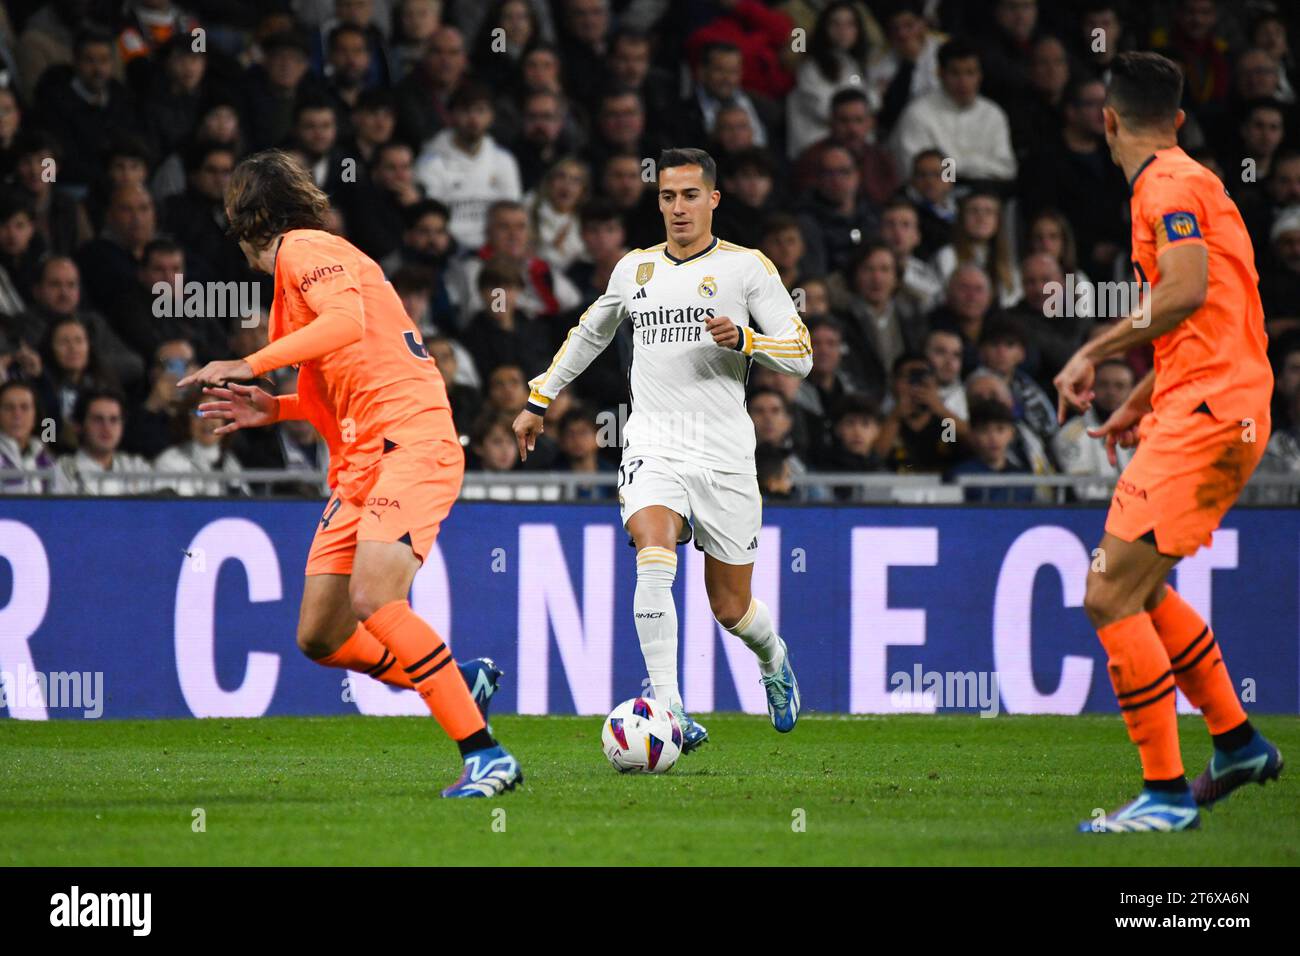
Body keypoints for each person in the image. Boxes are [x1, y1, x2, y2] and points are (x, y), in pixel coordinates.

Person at [183, 149, 521, 798]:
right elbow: (338, 382)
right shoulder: (296, 281)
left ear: (247, 217)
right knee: (320, 634)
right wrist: (274, 407)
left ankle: (486, 755)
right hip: (361, 458)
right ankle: (454, 677)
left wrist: (248, 366)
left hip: (409, 442)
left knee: (375, 598)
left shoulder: (304, 249)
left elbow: (346, 325)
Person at [513, 147, 812, 747]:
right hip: (653, 441)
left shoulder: (747, 268)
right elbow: (592, 330)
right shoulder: (634, 269)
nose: (678, 208)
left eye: (690, 195)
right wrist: (539, 398)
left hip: (725, 453)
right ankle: (669, 707)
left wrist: (747, 340)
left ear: (714, 199)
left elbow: (802, 353)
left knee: (731, 608)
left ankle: (773, 659)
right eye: (668, 197)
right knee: (653, 547)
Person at [1053, 52, 1282, 834]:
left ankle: (1166, 796)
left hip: (1211, 414)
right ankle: (1239, 742)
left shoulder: (1168, 187)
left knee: (1106, 593)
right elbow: (1209, 319)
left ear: (1106, 120)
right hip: (1212, 400)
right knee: (1142, 590)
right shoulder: (1200, 181)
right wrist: (1137, 404)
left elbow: (1181, 292)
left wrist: (1092, 352)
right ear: (1177, 120)